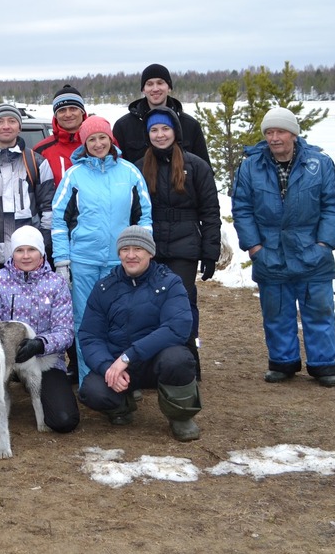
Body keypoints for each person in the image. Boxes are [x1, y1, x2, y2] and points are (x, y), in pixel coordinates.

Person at [232, 107, 335, 387]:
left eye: (280, 131)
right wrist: (255, 248)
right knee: (276, 313)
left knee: (319, 311)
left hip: (312, 253)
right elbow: (242, 209)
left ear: (293, 134)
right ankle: (283, 363)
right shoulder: (250, 166)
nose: (274, 138)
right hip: (270, 253)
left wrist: (323, 244)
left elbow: (333, 207)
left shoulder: (319, 163)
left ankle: (323, 365)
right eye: (269, 132)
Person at [51, 115, 152, 384]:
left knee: (122, 320)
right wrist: (62, 260)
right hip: (83, 261)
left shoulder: (129, 172)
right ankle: (90, 380)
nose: (98, 144)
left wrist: (142, 252)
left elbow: (144, 216)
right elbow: (59, 219)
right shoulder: (74, 175)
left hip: (121, 262)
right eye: (91, 139)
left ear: (111, 140)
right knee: (86, 321)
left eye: (102, 138)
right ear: (84, 144)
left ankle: (121, 378)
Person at [78, 227, 202, 442]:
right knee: (91, 390)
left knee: (179, 359)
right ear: (119, 254)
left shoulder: (170, 283)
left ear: (150, 253)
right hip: (119, 364)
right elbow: (90, 336)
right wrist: (108, 366)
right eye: (125, 249)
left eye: (138, 249)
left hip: (156, 362)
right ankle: (122, 406)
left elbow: (177, 327)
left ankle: (180, 416)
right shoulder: (104, 288)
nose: (131, 255)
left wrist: (128, 356)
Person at [134, 107, 221, 376]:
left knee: (181, 301)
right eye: (154, 130)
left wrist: (210, 252)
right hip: (151, 245)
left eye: (165, 129)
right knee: (148, 303)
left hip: (185, 247)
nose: (160, 135)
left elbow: (210, 211)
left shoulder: (196, 166)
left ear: (175, 132)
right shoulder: (138, 168)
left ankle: (187, 361)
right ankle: (152, 362)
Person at [0, 226, 80, 433]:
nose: (25, 256)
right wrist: (5, 347)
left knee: (64, 420)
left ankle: (39, 391)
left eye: (31, 250)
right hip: (3, 357)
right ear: (12, 252)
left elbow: (66, 332)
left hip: (43, 359)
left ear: (41, 252)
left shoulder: (56, 283)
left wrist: (40, 344)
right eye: (19, 250)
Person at [0, 102, 56, 277]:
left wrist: (42, 245)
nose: (6, 126)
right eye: (0, 121)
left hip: (30, 257)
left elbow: (48, 210)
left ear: (19, 127)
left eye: (12, 121)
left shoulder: (37, 163)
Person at [114, 64, 211, 166]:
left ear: (169, 87)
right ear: (143, 89)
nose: (155, 89)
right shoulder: (124, 126)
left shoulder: (189, 125)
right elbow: (116, 169)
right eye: (150, 84)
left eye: (160, 83)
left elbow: (204, 170)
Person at [33, 84, 87, 186]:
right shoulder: (41, 150)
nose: (68, 114)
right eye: (62, 110)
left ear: (82, 111)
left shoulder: (101, 144)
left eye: (73, 108)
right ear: (56, 115)